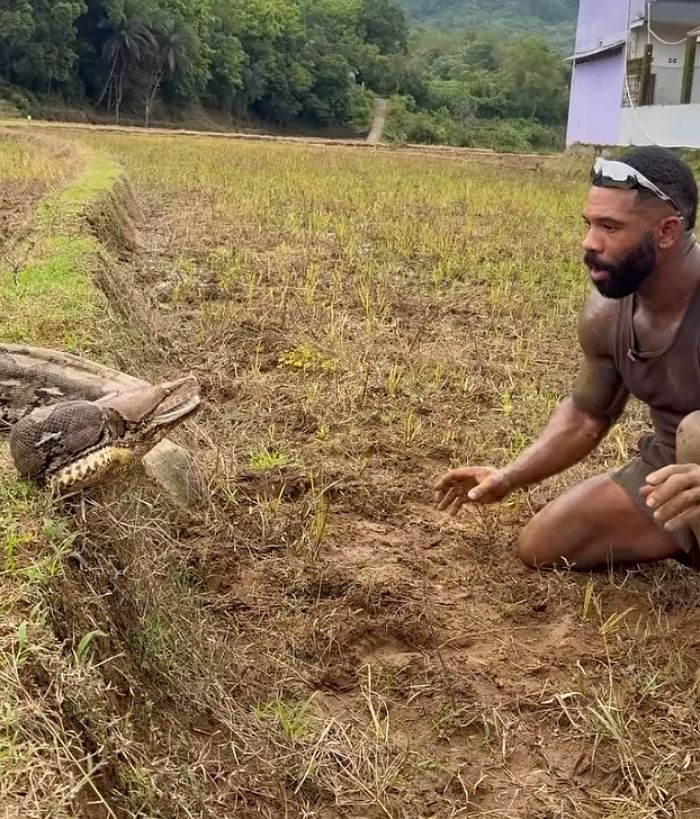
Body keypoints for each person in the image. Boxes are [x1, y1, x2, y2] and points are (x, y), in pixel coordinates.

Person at [434, 146, 700, 571]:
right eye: (589, 224)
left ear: (667, 232)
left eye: (610, 227)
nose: (590, 243)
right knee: (544, 544)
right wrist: (509, 476)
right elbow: (586, 415)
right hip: (669, 473)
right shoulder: (607, 313)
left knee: (697, 432)